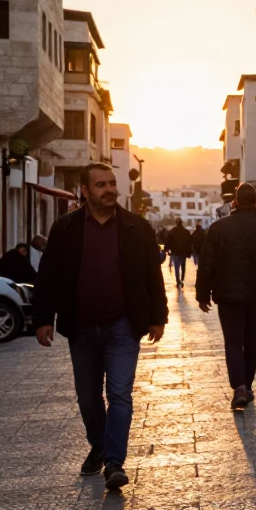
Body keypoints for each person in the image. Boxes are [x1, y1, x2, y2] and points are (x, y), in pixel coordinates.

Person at [32, 163, 167, 492]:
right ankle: (99, 445)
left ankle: (114, 462)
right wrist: (42, 319)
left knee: (119, 394)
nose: (109, 190)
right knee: (88, 397)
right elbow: (48, 276)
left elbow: (152, 274)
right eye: (101, 185)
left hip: (123, 325)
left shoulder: (137, 227)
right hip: (81, 326)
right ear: (85, 191)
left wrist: (158, 316)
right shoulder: (65, 228)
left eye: (112, 183)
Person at [195, 183, 256, 409]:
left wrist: (202, 294)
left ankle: (239, 386)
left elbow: (206, 263)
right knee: (251, 340)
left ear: (235, 202)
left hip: (227, 295)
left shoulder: (218, 228)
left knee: (233, 340)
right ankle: (247, 385)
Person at [165, 218, 193, 289]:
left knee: (176, 268)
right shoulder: (186, 232)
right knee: (183, 266)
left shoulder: (172, 232)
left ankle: (178, 281)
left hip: (175, 252)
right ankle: (182, 279)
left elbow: (168, 241)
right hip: (183, 252)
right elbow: (189, 243)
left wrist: (167, 249)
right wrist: (189, 252)